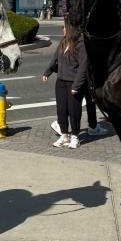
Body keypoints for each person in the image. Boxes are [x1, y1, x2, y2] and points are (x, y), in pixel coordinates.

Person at [42, 21, 88, 149]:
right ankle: (64, 135)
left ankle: (75, 136)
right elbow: (55, 58)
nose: (63, 29)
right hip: (61, 81)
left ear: (71, 29)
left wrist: (77, 86)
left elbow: (83, 68)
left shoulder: (80, 44)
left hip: (73, 83)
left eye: (65, 27)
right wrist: (48, 72)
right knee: (61, 110)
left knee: (74, 111)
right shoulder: (63, 42)